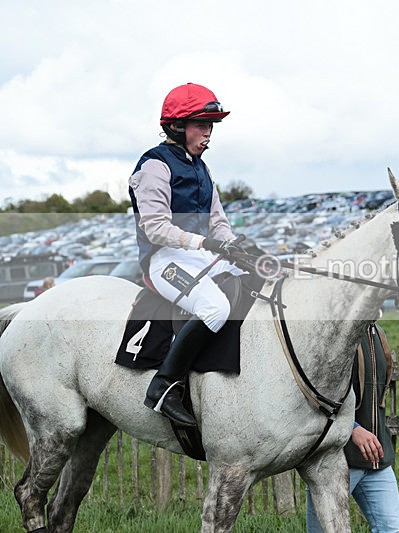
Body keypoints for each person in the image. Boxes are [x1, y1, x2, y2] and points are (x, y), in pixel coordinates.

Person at [128, 82, 246, 427]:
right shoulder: (154, 165)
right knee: (215, 307)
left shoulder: (202, 168)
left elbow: (218, 222)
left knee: (255, 284)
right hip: (164, 260)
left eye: (211, 126)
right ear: (178, 127)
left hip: (198, 256)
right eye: (201, 125)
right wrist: (203, 243)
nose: (208, 134)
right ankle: (164, 387)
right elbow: (155, 227)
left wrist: (233, 246)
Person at [306, 318, 399, 533]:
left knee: (392, 529)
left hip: (378, 461)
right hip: (335, 461)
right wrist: (353, 428)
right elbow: (315, 395)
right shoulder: (335, 334)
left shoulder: (377, 333)